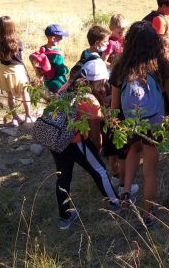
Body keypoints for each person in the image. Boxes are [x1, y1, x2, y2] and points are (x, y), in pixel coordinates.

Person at [109, 22, 169, 227]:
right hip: (154, 121)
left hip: (130, 120)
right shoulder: (163, 64)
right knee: (150, 170)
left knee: (134, 150)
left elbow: (114, 102)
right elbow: (168, 96)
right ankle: (148, 214)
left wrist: (113, 123)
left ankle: (126, 192)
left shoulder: (120, 65)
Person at [49, 58, 120, 230]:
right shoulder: (89, 101)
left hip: (56, 139)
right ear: (99, 81)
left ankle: (65, 218)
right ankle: (115, 203)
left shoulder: (66, 87)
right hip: (75, 141)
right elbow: (95, 134)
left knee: (63, 177)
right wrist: (98, 147)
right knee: (100, 171)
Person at [0, 16, 33, 126]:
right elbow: (21, 58)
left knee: (10, 95)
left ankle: (15, 117)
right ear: (12, 27)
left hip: (4, 70)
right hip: (17, 70)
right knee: (25, 93)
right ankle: (28, 116)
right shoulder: (17, 41)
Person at [59, 26, 110, 93]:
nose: (108, 43)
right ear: (97, 43)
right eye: (105, 41)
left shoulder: (89, 52)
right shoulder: (92, 59)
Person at [40, 24, 70, 94]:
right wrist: (66, 69)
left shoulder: (43, 49)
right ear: (53, 39)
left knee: (51, 100)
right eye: (60, 37)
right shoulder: (57, 55)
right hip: (58, 83)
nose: (62, 38)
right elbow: (61, 71)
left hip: (47, 82)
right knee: (60, 101)